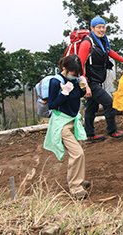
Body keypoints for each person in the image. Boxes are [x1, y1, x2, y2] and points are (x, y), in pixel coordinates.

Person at [78, 16, 123, 143]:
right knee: (110, 103)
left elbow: (109, 52)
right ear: (92, 28)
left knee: (91, 108)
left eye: (103, 27)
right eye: (99, 27)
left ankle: (89, 135)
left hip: (96, 80)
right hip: (90, 82)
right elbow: (80, 64)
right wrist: (85, 85)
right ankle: (112, 131)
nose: (102, 29)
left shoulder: (101, 41)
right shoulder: (87, 43)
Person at [43, 54, 90, 200]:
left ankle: (79, 181)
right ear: (64, 69)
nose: (75, 76)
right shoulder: (56, 82)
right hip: (61, 123)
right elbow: (52, 104)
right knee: (77, 153)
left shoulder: (74, 80)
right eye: (73, 74)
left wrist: (82, 86)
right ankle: (75, 188)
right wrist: (64, 93)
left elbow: (78, 96)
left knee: (79, 152)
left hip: (74, 120)